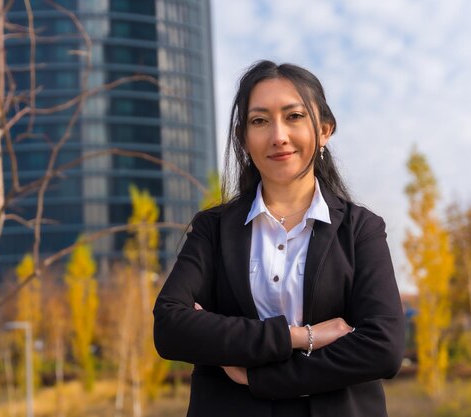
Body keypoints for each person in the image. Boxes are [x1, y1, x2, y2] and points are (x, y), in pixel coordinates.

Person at [153, 60, 405, 417]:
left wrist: (260, 378)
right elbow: (170, 328)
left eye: (294, 116)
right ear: (244, 139)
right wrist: (299, 336)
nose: (278, 136)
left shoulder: (361, 229)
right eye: (259, 121)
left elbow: (384, 348)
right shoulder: (213, 229)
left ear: (325, 130)